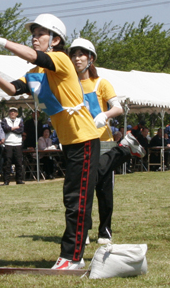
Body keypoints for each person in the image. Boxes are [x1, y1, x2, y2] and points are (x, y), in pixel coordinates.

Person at [0, 13, 101, 270]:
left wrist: (1, 41)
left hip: (84, 138)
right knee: (73, 197)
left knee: (76, 199)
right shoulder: (36, 73)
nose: (35, 39)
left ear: (55, 39)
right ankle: (72, 256)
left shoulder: (60, 60)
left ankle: (72, 258)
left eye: (40, 35)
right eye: (33, 35)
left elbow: (35, 56)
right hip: (70, 141)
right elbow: (14, 89)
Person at [69, 37, 145, 245]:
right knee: (84, 188)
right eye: (73, 55)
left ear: (91, 58)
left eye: (81, 54)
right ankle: (125, 150)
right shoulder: (69, 85)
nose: (77, 59)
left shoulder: (101, 83)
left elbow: (118, 107)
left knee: (103, 190)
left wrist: (106, 115)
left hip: (102, 141)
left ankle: (105, 230)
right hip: (80, 141)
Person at [1, 107, 25, 185]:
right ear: (9, 113)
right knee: (7, 163)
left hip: (18, 143)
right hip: (8, 143)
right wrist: (14, 128)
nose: (13, 113)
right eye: (11, 111)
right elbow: (5, 128)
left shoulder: (20, 120)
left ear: (17, 113)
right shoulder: (5, 120)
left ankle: (19, 180)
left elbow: (21, 130)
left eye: (14, 111)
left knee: (19, 163)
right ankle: (6, 180)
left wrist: (10, 129)